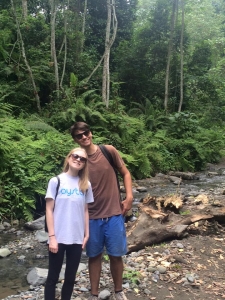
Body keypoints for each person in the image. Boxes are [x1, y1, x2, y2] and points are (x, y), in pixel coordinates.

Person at [70, 122, 133, 300]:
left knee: (116, 255)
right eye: (79, 135)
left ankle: (119, 291)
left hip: (114, 213)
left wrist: (129, 197)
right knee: (94, 256)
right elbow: (70, 184)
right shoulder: (78, 159)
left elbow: (125, 173)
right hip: (90, 217)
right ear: (75, 139)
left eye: (86, 133)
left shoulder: (108, 151)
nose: (84, 137)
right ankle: (94, 294)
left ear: (91, 132)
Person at [44, 147, 94, 300]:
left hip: (76, 238)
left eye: (82, 159)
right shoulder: (56, 181)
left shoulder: (86, 185)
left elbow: (85, 210)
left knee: (70, 278)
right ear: (69, 158)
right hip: (58, 237)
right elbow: (49, 210)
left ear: (85, 164)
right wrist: (52, 236)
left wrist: (86, 234)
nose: (78, 159)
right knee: (52, 277)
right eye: (75, 156)